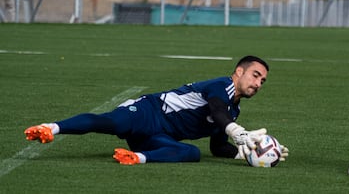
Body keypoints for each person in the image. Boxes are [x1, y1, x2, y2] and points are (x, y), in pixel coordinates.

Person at [24, 55, 289, 165]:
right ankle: (51, 127)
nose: (258, 83)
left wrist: (245, 152)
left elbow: (217, 148)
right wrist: (237, 131)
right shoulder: (222, 86)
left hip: (158, 137)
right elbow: (216, 109)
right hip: (148, 111)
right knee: (113, 124)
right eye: (255, 75)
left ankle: (136, 157)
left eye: (262, 81)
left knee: (192, 153)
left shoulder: (235, 112)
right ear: (239, 72)